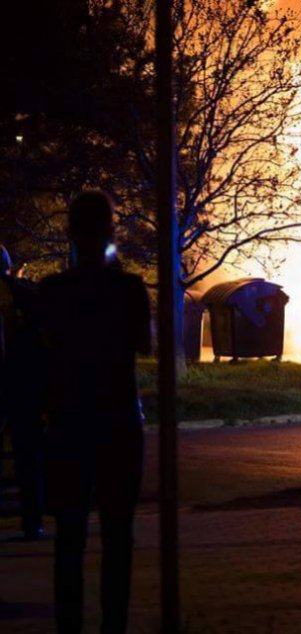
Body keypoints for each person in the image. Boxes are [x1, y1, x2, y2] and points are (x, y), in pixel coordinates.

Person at [38, 191, 151, 633]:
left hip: (69, 422)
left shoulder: (52, 292)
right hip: (119, 422)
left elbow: (44, 350)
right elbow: (143, 342)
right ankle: (113, 625)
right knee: (117, 536)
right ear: (111, 231)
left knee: (69, 537)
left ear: (69, 233)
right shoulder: (128, 289)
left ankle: (69, 625)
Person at [0, 244, 45, 540]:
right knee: (28, 457)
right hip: (22, 387)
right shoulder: (25, 296)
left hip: (16, 386)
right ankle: (32, 520)